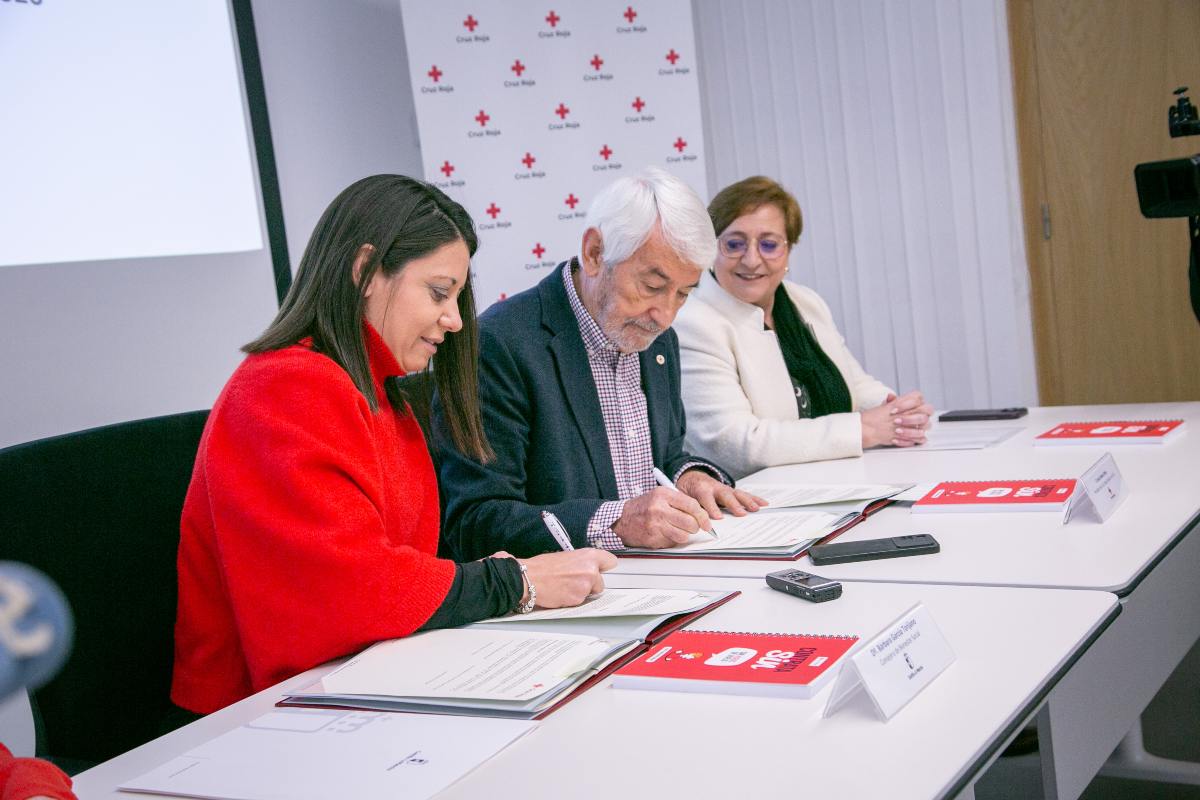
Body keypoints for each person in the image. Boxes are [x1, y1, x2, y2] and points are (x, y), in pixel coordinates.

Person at [171, 175, 615, 716]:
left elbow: (397, 566)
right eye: (438, 292)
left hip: (356, 677)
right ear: (364, 272)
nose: (454, 320)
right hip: (260, 715)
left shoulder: (376, 390)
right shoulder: (284, 387)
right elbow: (352, 588)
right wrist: (516, 581)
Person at [436, 168, 765, 562]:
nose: (664, 315)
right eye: (653, 286)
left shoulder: (658, 341)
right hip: (572, 599)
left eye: (683, 294)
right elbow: (477, 521)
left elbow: (661, 459)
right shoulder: (499, 345)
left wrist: (688, 477)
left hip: (665, 575)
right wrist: (617, 521)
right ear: (594, 253)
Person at [673, 176, 933, 479]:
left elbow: (854, 383)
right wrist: (864, 429)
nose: (752, 259)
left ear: (789, 250)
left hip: (834, 482)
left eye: (769, 244)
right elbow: (736, 444)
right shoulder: (693, 323)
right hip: (754, 503)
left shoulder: (804, 302)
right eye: (734, 244)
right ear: (711, 248)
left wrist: (896, 412)